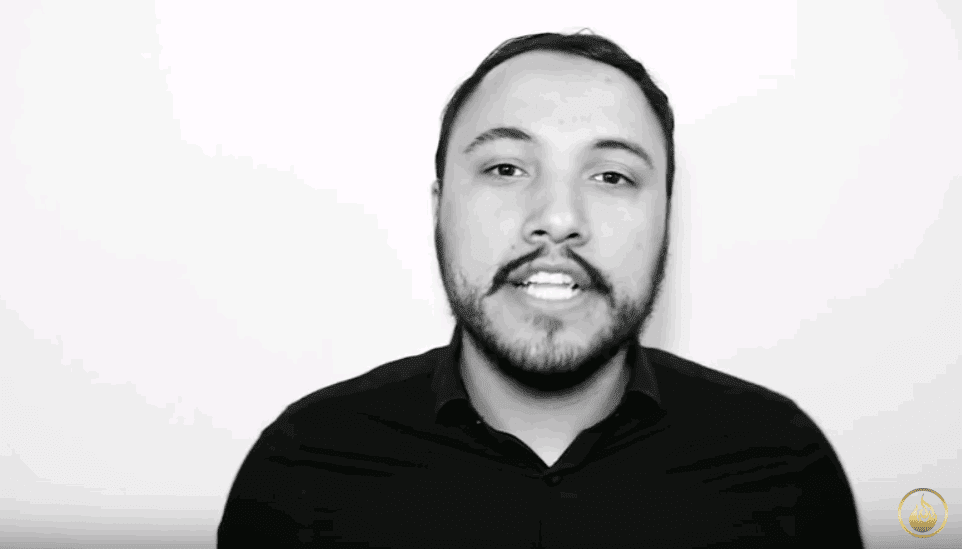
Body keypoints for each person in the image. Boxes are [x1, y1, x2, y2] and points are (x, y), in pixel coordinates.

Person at [217, 31, 864, 548]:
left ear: (667, 218)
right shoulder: (301, 468)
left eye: (611, 176)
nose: (557, 217)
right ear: (439, 209)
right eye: (505, 168)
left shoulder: (783, 465)